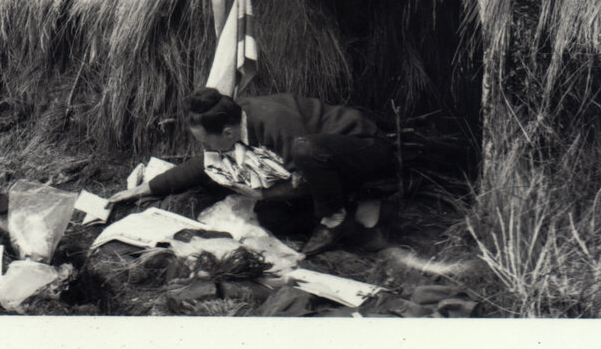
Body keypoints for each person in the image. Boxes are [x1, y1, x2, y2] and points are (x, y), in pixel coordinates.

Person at [108, 87, 395, 255]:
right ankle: (353, 202)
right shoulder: (232, 123)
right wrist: (144, 189)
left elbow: (305, 178)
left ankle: (338, 220)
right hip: (324, 170)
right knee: (271, 218)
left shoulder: (275, 121)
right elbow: (202, 166)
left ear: (228, 132)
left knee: (305, 151)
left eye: (206, 141)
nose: (206, 147)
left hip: (364, 151)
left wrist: (262, 193)